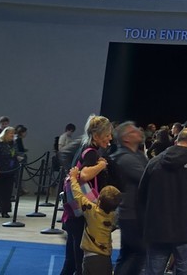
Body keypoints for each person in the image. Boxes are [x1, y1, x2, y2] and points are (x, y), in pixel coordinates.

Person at [136, 127, 187, 275]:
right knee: (184, 271)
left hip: (157, 229)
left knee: (153, 270)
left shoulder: (155, 162)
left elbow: (141, 195)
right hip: (186, 229)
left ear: (177, 140)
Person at [63, 117, 116, 275]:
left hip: (73, 213)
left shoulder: (84, 148)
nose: (110, 138)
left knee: (71, 261)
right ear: (97, 135)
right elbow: (84, 175)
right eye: (107, 135)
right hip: (81, 214)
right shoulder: (92, 153)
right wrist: (101, 165)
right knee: (80, 263)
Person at [70, 165, 124, 275]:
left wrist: (73, 178)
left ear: (98, 199)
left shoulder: (92, 211)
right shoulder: (113, 216)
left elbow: (78, 195)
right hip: (105, 257)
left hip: (91, 257)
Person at [112, 121, 151, 275]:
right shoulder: (126, 159)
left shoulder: (136, 155)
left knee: (128, 253)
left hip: (135, 212)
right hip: (132, 213)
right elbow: (147, 178)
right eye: (134, 131)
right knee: (139, 251)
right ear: (126, 139)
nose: (139, 132)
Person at [0, 127, 20, 216]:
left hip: (10, 170)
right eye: (10, 133)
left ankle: (5, 211)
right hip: (0, 170)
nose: (12, 135)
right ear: (5, 134)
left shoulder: (13, 144)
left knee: (7, 192)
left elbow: (15, 154)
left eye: (13, 133)